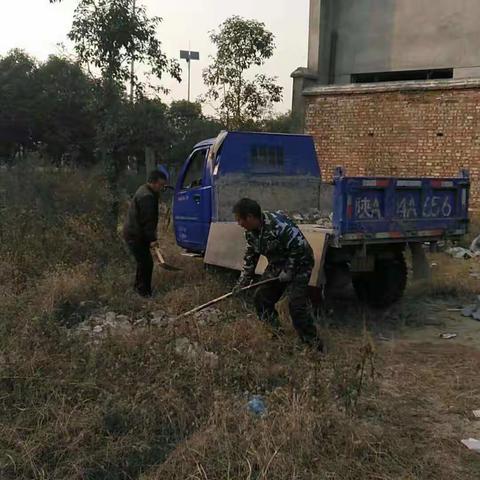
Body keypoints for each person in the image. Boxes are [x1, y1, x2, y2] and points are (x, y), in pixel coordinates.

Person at [233, 198, 323, 351]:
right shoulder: (250, 233)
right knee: (261, 298)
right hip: (277, 264)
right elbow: (250, 259)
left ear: (249, 217)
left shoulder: (279, 225)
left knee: (296, 306)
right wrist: (242, 283)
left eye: (240, 220)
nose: (239, 224)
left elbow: (300, 248)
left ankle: (314, 346)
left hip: (300, 263)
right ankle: (277, 336)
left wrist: (289, 270)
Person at [123, 170, 167, 297]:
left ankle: (138, 289)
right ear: (153, 182)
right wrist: (152, 240)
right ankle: (144, 293)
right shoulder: (147, 196)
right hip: (135, 235)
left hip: (135, 234)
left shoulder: (145, 190)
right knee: (146, 263)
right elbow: (147, 221)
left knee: (143, 262)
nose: (162, 188)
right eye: (160, 185)